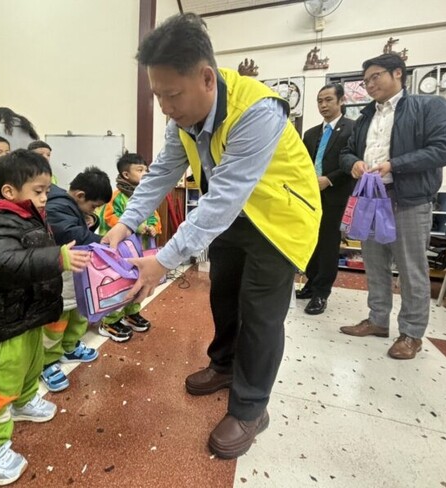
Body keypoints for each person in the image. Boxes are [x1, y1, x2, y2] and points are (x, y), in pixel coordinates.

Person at [103, 13, 321, 459]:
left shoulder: (257, 110)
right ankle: (223, 365)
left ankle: (251, 408)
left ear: (206, 77)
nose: (164, 105)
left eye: (172, 94)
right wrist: (124, 223)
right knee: (223, 296)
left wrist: (163, 259)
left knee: (260, 315)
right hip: (236, 218)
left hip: (279, 220)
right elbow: (162, 172)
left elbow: (220, 198)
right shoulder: (180, 118)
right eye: (157, 94)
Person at [0, 149, 90, 485]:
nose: (45, 198)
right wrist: (56, 259)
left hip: (31, 313)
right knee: (0, 384)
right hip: (7, 319)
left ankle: (25, 400)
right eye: (38, 191)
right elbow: (3, 264)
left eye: (47, 190)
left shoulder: (27, 216)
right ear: (9, 192)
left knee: (31, 363)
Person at [339, 53, 446, 359]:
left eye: (375, 77)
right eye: (365, 81)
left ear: (397, 73)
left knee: (411, 268)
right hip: (371, 199)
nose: (370, 85)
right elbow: (346, 152)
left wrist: (394, 164)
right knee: (374, 263)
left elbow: (442, 149)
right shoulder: (364, 117)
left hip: (410, 199)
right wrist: (355, 164)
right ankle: (377, 320)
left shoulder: (428, 107)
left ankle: (411, 334)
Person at [41, 166, 112, 392]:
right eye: (94, 206)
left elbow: (80, 226)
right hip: (59, 271)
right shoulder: (57, 204)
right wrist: (105, 241)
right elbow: (72, 234)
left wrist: (90, 218)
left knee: (78, 312)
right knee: (57, 318)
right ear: (80, 196)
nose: (94, 210)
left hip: (76, 269)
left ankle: (70, 346)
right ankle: (48, 361)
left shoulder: (70, 204)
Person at [299, 84, 355, 314]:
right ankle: (311, 284)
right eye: (320, 101)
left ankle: (322, 293)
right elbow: (301, 163)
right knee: (311, 243)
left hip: (335, 195)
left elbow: (353, 161)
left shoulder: (352, 128)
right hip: (310, 198)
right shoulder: (311, 134)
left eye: (329, 100)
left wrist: (329, 180)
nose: (323, 105)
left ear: (341, 100)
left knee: (329, 246)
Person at [96, 152, 161, 342]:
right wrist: (138, 227)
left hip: (142, 250)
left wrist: (154, 228)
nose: (145, 174)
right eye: (140, 170)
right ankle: (110, 320)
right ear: (126, 174)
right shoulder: (116, 197)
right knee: (119, 285)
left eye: (146, 170)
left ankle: (131, 313)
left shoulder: (146, 196)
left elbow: (154, 217)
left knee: (138, 282)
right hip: (121, 253)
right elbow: (110, 218)